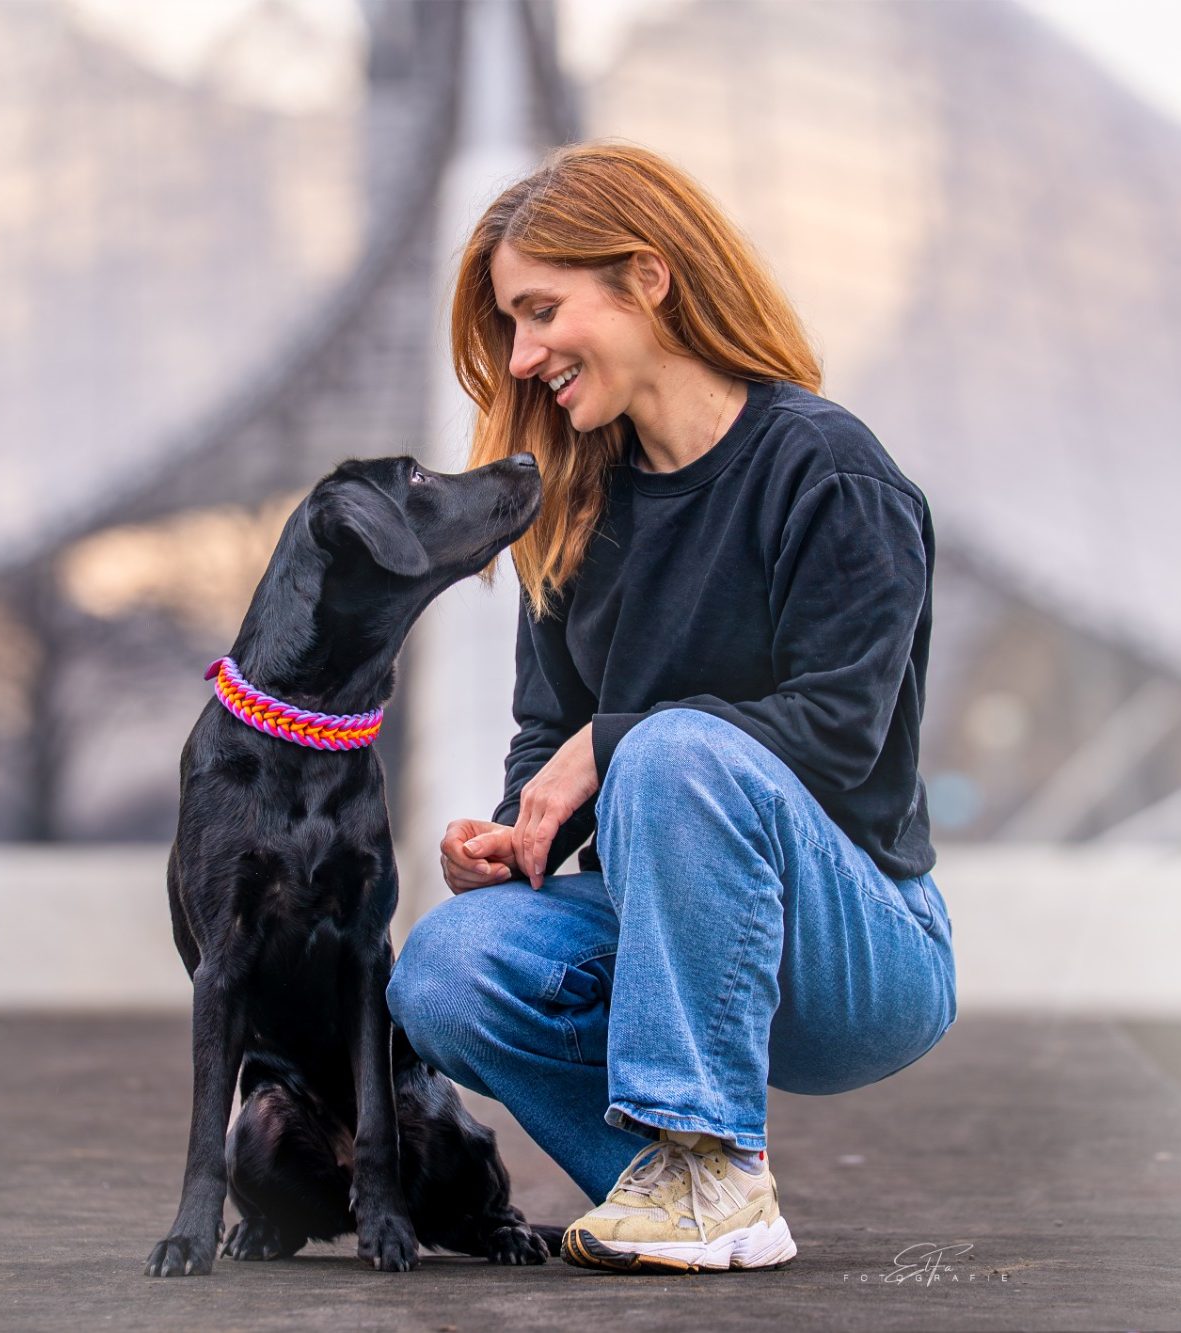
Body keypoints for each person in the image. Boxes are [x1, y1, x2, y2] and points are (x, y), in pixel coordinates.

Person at [386, 141, 957, 1275]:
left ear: (646, 276)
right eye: (509, 325)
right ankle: (681, 1190)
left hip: (861, 951)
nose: (522, 354)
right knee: (444, 967)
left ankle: (708, 1157)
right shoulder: (573, 505)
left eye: (541, 310)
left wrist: (616, 746)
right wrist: (518, 835)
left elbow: (843, 734)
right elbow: (550, 739)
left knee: (673, 749)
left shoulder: (826, 471)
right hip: (661, 929)